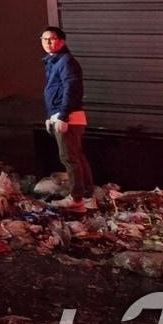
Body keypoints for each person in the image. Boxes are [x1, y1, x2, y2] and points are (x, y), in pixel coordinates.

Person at [42, 26, 94, 211]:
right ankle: (88, 197)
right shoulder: (55, 62)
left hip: (68, 117)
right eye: (44, 39)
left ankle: (76, 199)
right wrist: (51, 116)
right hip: (66, 115)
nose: (48, 42)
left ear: (62, 41)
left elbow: (70, 89)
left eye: (52, 39)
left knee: (69, 158)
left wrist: (62, 116)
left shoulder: (65, 61)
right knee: (77, 157)